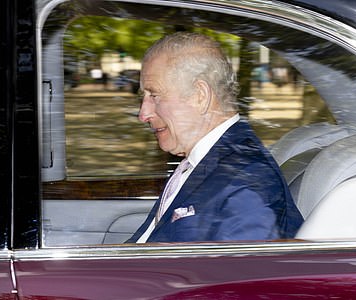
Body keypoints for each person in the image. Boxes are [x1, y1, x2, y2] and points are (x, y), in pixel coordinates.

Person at [127, 32, 303, 243]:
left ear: (200, 96)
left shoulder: (244, 183)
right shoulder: (208, 163)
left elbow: (241, 273)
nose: (143, 114)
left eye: (154, 96)